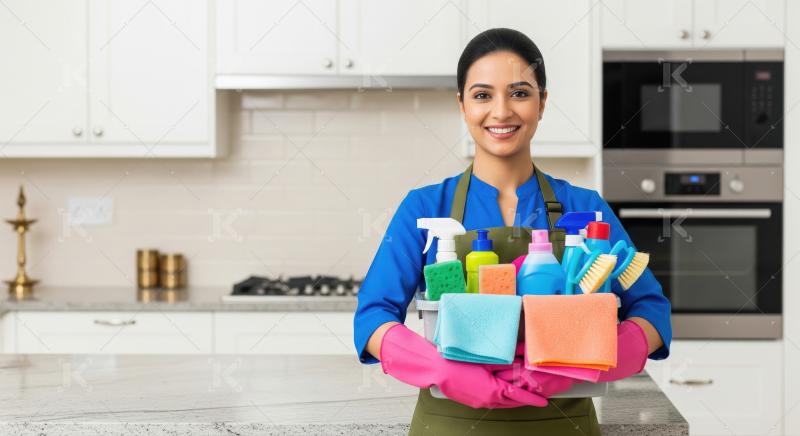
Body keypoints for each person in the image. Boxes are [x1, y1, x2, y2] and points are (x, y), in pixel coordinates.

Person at [353, 27, 672, 435]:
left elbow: (653, 314)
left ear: (542, 103)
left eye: (520, 93)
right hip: (450, 424)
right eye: (482, 95)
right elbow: (372, 318)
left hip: (563, 423)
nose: (501, 112)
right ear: (462, 105)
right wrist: (444, 371)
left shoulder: (585, 207)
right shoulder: (424, 207)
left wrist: (583, 364)